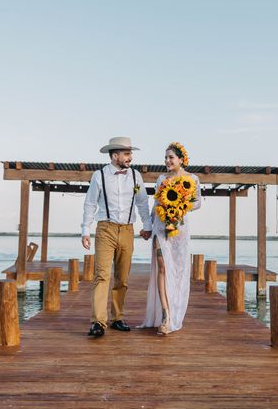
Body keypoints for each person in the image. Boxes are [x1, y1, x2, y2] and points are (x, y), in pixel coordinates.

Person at [81, 136, 152, 337]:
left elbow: (142, 203)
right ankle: (98, 322)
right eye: (127, 153)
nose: (131, 157)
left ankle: (117, 318)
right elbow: (90, 204)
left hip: (128, 230)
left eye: (130, 153)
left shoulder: (136, 176)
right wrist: (85, 230)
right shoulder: (99, 175)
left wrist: (147, 226)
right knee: (102, 275)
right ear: (115, 156)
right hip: (105, 229)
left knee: (122, 277)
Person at [141, 142, 201, 334]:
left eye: (170, 158)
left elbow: (198, 202)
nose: (167, 161)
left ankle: (176, 311)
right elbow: (156, 203)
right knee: (162, 266)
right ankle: (165, 315)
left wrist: (182, 205)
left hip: (180, 231)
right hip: (160, 228)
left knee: (178, 270)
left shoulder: (192, 179)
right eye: (165, 157)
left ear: (181, 160)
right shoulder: (161, 179)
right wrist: (148, 227)